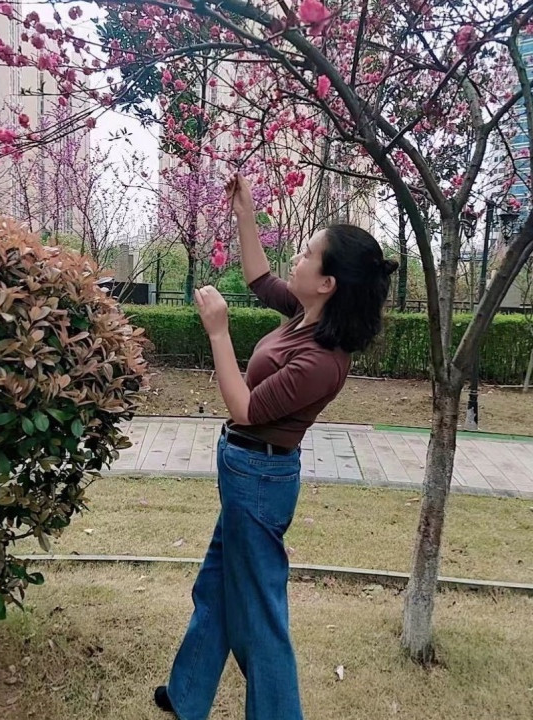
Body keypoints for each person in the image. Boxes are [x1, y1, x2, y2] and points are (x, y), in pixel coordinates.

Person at [155, 174, 398, 720]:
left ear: (327, 283)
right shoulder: (306, 315)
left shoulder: (322, 359)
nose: (297, 257)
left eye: (308, 253)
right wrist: (245, 213)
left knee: (261, 616)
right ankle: (188, 695)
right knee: (215, 587)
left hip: (259, 481)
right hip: (244, 470)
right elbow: (258, 277)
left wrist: (218, 332)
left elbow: (244, 408)